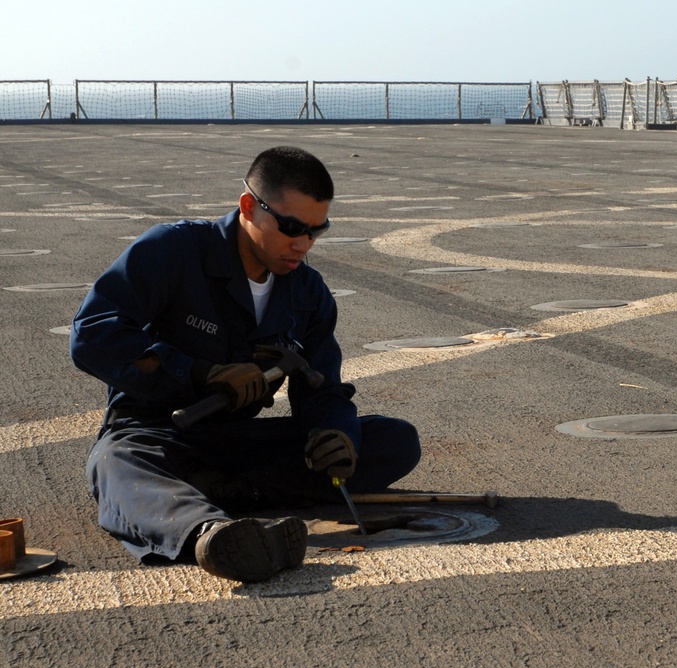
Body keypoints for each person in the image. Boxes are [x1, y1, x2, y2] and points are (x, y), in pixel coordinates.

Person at [70, 146, 421, 583]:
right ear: (249, 207)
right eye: (291, 227)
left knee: (394, 440)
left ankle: (225, 493)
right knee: (117, 462)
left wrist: (336, 436)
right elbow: (91, 334)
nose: (302, 244)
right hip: (160, 433)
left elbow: (323, 389)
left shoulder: (308, 293)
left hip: (240, 442)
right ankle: (209, 534)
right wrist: (198, 372)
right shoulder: (174, 250)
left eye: (316, 231)